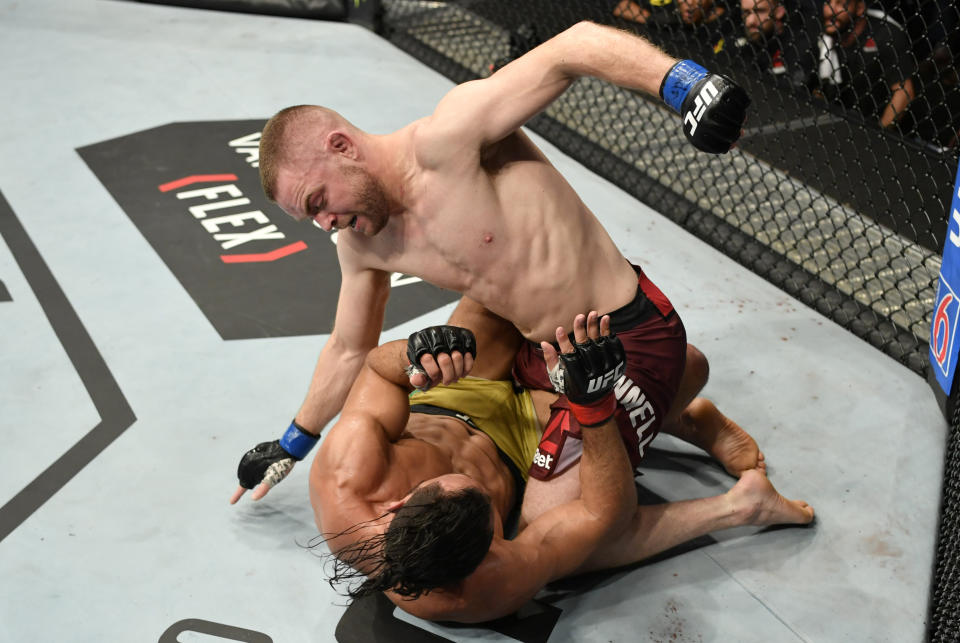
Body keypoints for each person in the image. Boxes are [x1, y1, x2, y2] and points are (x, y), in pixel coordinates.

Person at [230, 20, 750, 504]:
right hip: (540, 355)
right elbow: (349, 348)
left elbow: (573, 47)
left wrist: (683, 85)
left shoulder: (448, 140)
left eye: (318, 202)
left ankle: (720, 471)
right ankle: (682, 403)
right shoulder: (363, 245)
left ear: (341, 146)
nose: (324, 223)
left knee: (552, 526)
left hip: (625, 335)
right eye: (310, 219)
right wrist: (291, 444)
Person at [309, 299, 814, 622]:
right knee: (689, 366)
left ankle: (678, 419)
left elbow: (376, 375)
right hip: (524, 447)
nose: (471, 475)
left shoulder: (348, 479)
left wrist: (416, 355)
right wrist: (593, 405)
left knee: (498, 285)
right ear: (484, 550)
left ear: (397, 504)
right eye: (487, 502)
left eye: (454, 481)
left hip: (454, 391)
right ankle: (734, 494)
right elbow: (602, 515)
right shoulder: (484, 585)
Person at [815, 0, 917, 129]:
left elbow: (904, 93)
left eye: (842, 4)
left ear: (859, 8)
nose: (830, 11)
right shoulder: (826, 32)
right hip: (837, 122)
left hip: (875, 127)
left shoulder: (886, 34)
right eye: (828, 2)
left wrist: (879, 135)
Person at [734, 0, 819, 90]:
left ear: (779, 11)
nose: (750, 21)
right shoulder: (738, 36)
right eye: (746, 12)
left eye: (760, 11)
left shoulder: (800, 47)